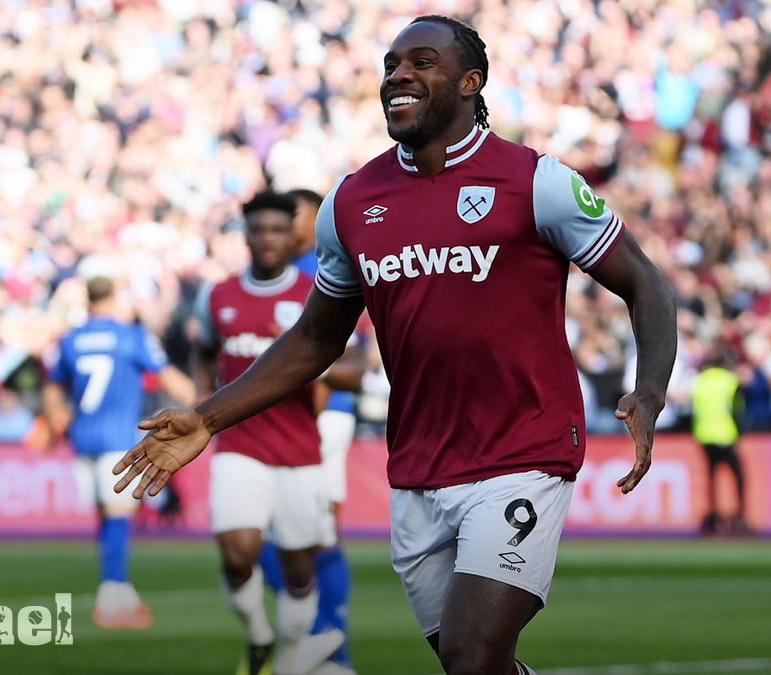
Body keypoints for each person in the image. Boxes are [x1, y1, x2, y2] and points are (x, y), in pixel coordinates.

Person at [113, 15, 676, 675]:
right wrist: (208, 416)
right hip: (418, 468)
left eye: (421, 62)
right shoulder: (351, 203)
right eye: (391, 65)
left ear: (470, 82)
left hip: (522, 453)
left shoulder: (536, 182)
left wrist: (650, 388)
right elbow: (316, 337)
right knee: (474, 666)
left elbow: (645, 282)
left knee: (471, 654)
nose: (398, 75)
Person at [192, 191, 360, 675]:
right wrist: (203, 402)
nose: (268, 239)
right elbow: (204, 351)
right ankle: (259, 634)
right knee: (237, 552)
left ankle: (287, 653)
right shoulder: (217, 295)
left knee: (300, 567)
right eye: (259, 230)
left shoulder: (316, 292)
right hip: (238, 444)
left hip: (299, 448)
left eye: (277, 230)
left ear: (293, 237)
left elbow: (353, 369)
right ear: (245, 236)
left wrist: (301, 361)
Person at [43, 275, 197, 630]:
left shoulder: (71, 340)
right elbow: (169, 377)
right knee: (118, 515)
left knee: (106, 515)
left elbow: (53, 386)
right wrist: (206, 407)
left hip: (83, 438)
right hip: (119, 439)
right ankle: (113, 594)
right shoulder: (131, 337)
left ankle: (117, 589)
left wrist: (54, 421)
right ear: (113, 297)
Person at [690, 347, 750, 535]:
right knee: (738, 476)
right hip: (725, 435)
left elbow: (693, 409)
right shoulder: (730, 380)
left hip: (704, 435)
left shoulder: (699, 380)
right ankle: (739, 517)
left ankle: (713, 517)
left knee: (711, 477)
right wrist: (740, 432)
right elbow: (737, 410)